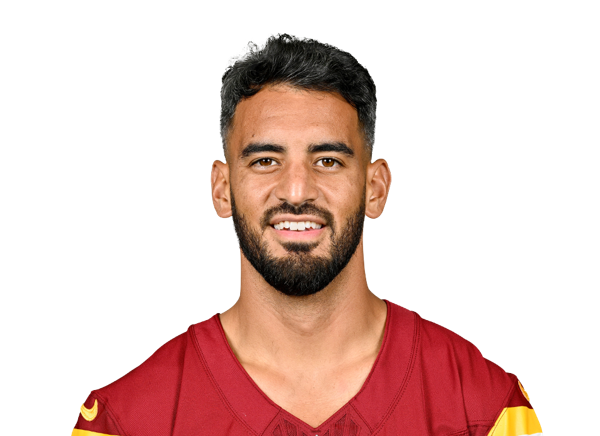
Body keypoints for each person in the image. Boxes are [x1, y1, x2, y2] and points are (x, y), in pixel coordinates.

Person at [72, 33, 543, 436]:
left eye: (328, 161)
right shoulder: (125, 421)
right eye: (265, 161)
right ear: (221, 189)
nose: (297, 191)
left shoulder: (485, 409)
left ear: (375, 188)